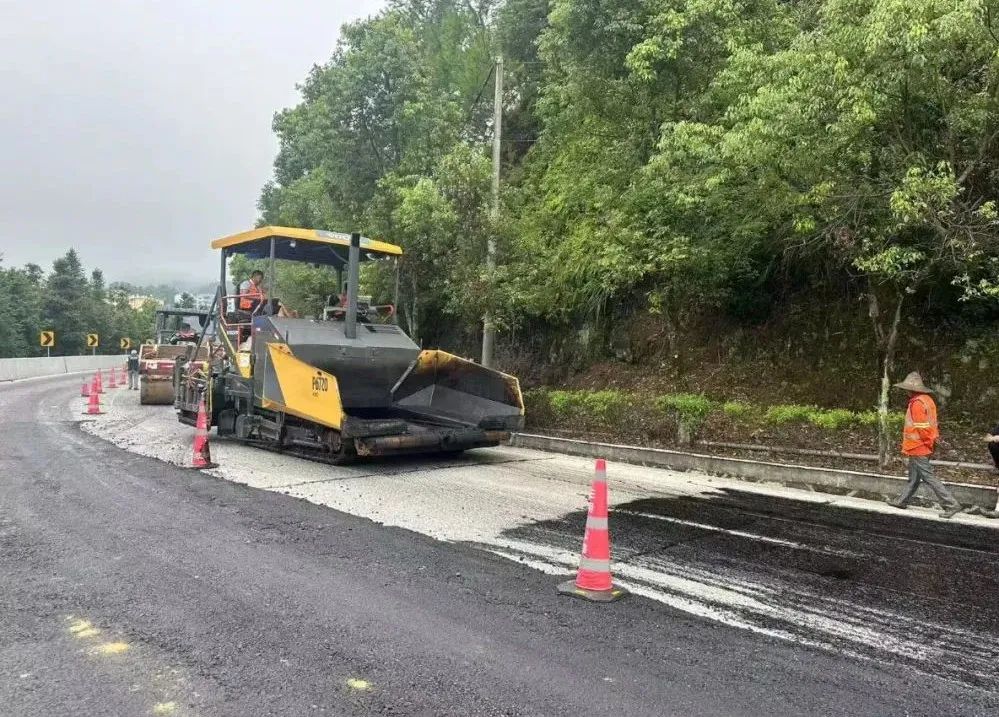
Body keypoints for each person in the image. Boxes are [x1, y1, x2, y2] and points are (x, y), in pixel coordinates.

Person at [888, 371, 963, 518]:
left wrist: (926, 442)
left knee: (928, 476)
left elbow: (922, 428)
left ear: (910, 390)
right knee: (914, 477)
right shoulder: (927, 400)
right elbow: (931, 424)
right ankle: (902, 500)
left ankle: (951, 504)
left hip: (918, 445)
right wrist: (931, 442)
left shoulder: (916, 404)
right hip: (926, 444)